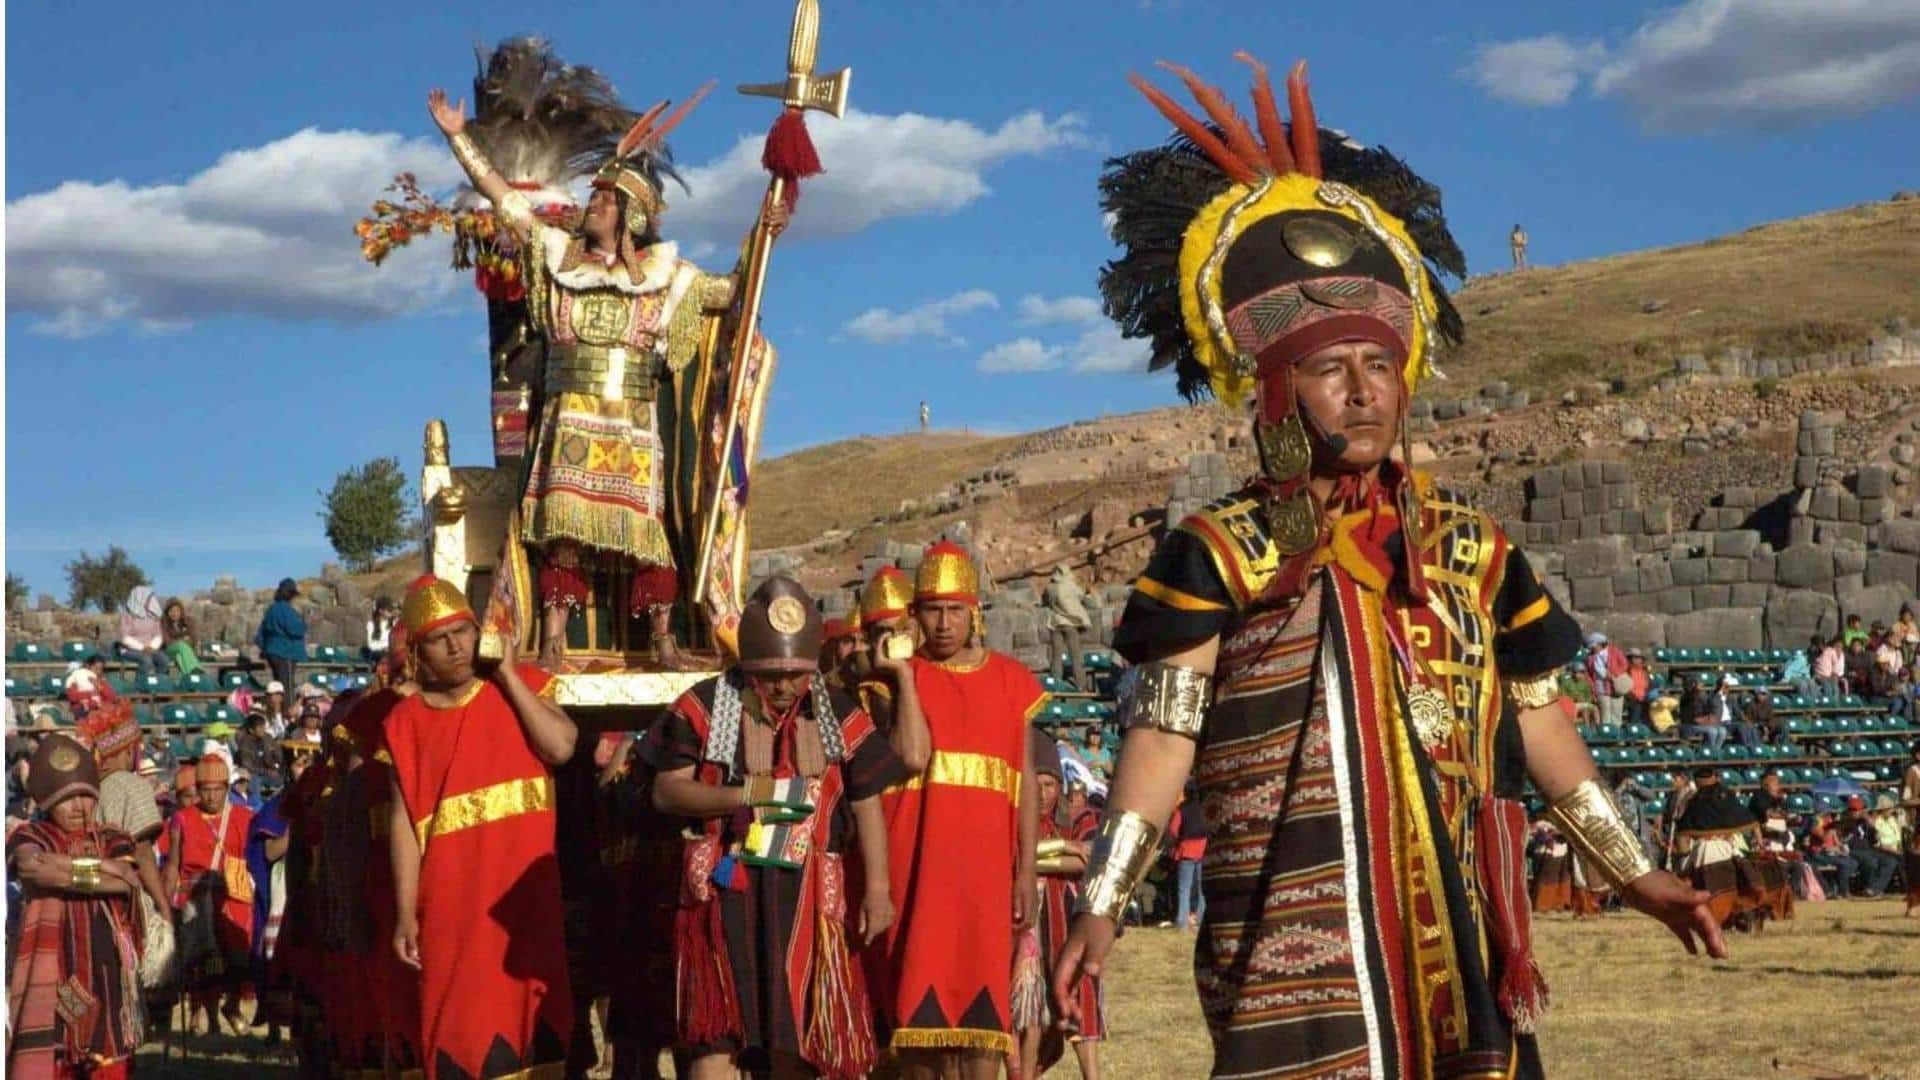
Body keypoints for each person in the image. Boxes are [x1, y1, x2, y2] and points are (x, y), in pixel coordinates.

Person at [1052, 56, 1723, 1080]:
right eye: (1329, 368)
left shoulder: (1474, 551)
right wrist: (1101, 909)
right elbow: (1164, 741)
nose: (1363, 392)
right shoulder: (1219, 551)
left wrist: (1636, 875)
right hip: (1290, 948)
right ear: (1277, 390)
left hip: (1454, 942)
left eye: (1379, 365)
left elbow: (1540, 726)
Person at [428, 71, 785, 669]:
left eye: (602, 200)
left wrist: (764, 231)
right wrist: (460, 139)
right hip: (569, 417)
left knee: (649, 537)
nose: (589, 205)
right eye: (593, 198)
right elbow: (504, 199)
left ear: (629, 216)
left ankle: (666, 640)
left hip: (636, 423)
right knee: (562, 534)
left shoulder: (668, 276)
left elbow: (732, 290)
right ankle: (552, 640)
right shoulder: (555, 255)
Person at [647, 576, 905, 1079]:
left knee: (796, 1039)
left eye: (794, 673)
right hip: (724, 896)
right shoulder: (703, 705)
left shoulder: (837, 711)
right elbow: (666, 790)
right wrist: (743, 795)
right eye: (770, 675)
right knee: (713, 1041)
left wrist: (877, 888)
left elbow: (867, 799)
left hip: (807, 900)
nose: (784, 686)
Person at [383, 574, 577, 1079]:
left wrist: (510, 678)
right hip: (450, 905)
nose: (456, 646)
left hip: (522, 905)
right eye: (440, 639)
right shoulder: (402, 724)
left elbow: (560, 747)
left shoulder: (521, 688)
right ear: (418, 653)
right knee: (460, 1035)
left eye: (464, 632)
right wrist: (406, 913)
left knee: (533, 1030)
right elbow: (403, 826)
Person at [876, 540, 1045, 1077]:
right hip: (919, 870)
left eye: (955, 609)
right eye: (932, 609)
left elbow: (1025, 785)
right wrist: (903, 676)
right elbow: (909, 754)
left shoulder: (1014, 683)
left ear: (975, 611)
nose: (944, 623)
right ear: (915, 614)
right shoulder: (893, 682)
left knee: (983, 1022)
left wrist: (1026, 868)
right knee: (918, 1025)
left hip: (986, 874)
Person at [7, 734, 145, 1078]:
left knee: (108, 1054)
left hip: (107, 970)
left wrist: (64, 870)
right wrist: (105, 867)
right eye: (67, 799)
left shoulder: (113, 836)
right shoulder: (32, 835)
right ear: (47, 801)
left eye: (85, 795)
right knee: (60, 1052)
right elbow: (31, 868)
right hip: (55, 967)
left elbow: (127, 880)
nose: (79, 807)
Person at [1019, 731, 1104, 1080]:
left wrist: (1028, 858)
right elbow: (1006, 854)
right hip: (1025, 930)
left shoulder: (1081, 819)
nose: (1041, 795)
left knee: (1081, 995)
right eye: (1035, 784)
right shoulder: (1016, 819)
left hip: (1068, 925)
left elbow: (1090, 862)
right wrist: (1065, 848)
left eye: (1050, 784)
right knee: (1028, 1009)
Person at [164, 752, 258, 1034]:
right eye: (206, 790)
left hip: (234, 895)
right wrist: (166, 905)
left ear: (227, 789)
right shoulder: (182, 819)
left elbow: (252, 859)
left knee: (240, 957)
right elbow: (173, 864)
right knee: (202, 958)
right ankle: (204, 1015)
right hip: (196, 894)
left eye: (218, 790)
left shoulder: (243, 817)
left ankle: (232, 1004)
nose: (212, 796)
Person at [79, 702, 172, 916]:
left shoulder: (91, 788)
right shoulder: (131, 784)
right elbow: (143, 852)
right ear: (129, 750)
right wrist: (163, 908)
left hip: (87, 894)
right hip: (123, 901)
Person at [1671, 768, 1767, 930]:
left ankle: (1730, 914)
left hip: (1703, 852)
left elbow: (1682, 836)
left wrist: (1683, 861)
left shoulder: (1694, 802)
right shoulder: (1725, 797)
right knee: (1744, 875)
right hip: (1726, 849)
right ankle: (1740, 911)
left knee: (1691, 880)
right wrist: (1759, 841)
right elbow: (1751, 821)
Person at [1042, 564, 1092, 692]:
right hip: (1069, 625)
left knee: (1056, 657)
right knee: (1075, 656)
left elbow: (1044, 602)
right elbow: (1081, 596)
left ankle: (1055, 684)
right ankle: (1081, 685)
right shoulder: (1069, 586)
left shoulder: (1049, 588)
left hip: (1055, 624)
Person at [1840, 795, 1897, 898]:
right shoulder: (1845, 821)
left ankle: (1875, 889)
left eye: (1857, 810)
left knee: (1890, 861)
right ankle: (1872, 889)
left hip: (1868, 850)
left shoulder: (1865, 821)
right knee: (1871, 861)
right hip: (1852, 850)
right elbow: (1844, 839)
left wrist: (1868, 821)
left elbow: (1874, 838)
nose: (1854, 812)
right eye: (1852, 810)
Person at [257, 578, 308, 692]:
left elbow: (260, 635)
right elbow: (296, 630)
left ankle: (278, 709)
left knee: (278, 688)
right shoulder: (286, 610)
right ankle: (288, 709)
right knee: (287, 688)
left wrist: (266, 649)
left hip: (273, 652)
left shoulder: (272, 609)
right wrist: (305, 622)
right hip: (286, 653)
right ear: (291, 595)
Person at [1167, 788, 1207, 932]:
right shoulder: (1205, 808)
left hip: (1186, 851)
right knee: (1202, 889)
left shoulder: (1181, 810)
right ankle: (1200, 921)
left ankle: (1182, 923)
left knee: (1184, 889)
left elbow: (1172, 830)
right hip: (1203, 850)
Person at [114, 585, 166, 680]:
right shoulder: (127, 616)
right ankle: (140, 686)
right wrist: (142, 647)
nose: (150, 600)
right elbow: (124, 638)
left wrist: (152, 647)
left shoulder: (153, 615)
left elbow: (158, 635)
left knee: (163, 659)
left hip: (150, 648)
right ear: (140, 598)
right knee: (146, 660)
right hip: (129, 650)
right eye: (148, 598)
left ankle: (158, 684)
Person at [1805, 813, 1859, 899]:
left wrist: (1841, 848)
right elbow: (1823, 842)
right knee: (1844, 864)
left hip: (1831, 854)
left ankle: (1839, 886)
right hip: (1819, 854)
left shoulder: (1831, 826)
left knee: (1853, 862)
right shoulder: (1817, 824)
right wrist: (1830, 832)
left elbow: (1837, 843)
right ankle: (1844, 891)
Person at [1585, 632, 1628, 727]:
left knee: (1616, 715)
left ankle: (1617, 737)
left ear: (1600, 644)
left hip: (1616, 687)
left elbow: (1624, 664)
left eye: (1593, 646)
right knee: (1605, 716)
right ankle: (1607, 735)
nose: (1592, 648)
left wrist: (1614, 674)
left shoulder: (1614, 651)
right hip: (1600, 689)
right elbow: (1589, 675)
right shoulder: (1590, 658)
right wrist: (1593, 690)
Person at [1681, 675, 1735, 749]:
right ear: (1693, 685)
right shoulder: (1687, 697)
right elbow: (1691, 716)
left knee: (1722, 731)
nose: (1701, 686)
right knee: (1712, 731)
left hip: (1702, 722)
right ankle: (1708, 751)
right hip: (1690, 724)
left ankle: (1715, 750)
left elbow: (1707, 710)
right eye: (1699, 684)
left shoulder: (1703, 696)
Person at [163, 597, 204, 677]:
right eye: (171, 611)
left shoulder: (189, 621)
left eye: (177, 611)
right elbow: (167, 642)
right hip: (169, 651)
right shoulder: (163, 623)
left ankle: (188, 678)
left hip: (185, 651)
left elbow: (194, 640)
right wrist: (183, 639)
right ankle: (198, 671)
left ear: (181, 611)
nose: (174, 613)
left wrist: (181, 640)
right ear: (167, 612)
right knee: (181, 646)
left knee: (180, 656)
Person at [1901, 744, 1920, 916]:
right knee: (1915, 866)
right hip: (1916, 823)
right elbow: (1906, 800)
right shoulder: (1912, 773)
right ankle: (1913, 903)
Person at [365, 596, 397, 666]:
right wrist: (384, 647)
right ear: (381, 611)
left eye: (391, 610)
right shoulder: (371, 624)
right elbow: (371, 645)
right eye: (388, 610)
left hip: (392, 650)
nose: (391, 612)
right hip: (378, 653)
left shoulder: (394, 623)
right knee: (386, 657)